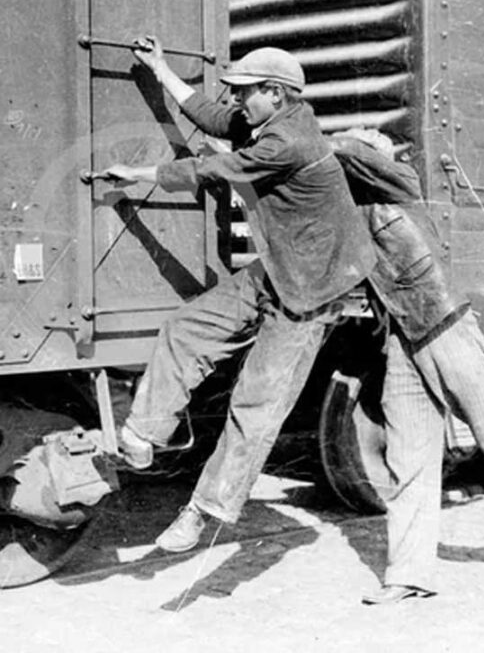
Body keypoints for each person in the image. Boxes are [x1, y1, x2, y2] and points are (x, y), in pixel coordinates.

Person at [97, 37, 376, 552]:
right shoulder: (266, 119)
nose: (237, 101)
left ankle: (203, 512)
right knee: (185, 329)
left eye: (245, 92)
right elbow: (213, 118)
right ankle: (141, 438)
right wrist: (160, 67)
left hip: (310, 291)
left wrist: (138, 174)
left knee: (256, 403)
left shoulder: (287, 142)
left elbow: (215, 170)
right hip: (276, 267)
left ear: (275, 92)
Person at [328, 129, 484, 606]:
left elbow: (349, 152)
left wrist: (305, 137)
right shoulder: (357, 212)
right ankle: (408, 574)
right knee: (408, 457)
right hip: (405, 341)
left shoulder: (400, 184)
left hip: (447, 328)